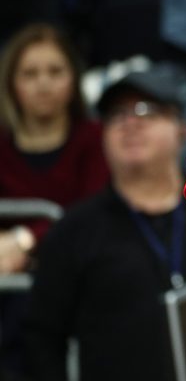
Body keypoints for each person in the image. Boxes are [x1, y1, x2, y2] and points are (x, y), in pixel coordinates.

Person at [23, 63, 186, 381]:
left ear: (182, 129)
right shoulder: (75, 231)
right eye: (117, 114)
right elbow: (41, 340)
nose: (130, 123)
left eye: (146, 110)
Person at [0, 23, 109, 273]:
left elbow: (91, 214)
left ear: (74, 78)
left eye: (55, 71)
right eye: (29, 74)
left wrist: (24, 239)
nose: (43, 83)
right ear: (11, 83)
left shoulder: (97, 137)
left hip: (82, 269)